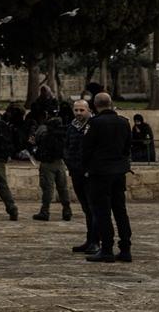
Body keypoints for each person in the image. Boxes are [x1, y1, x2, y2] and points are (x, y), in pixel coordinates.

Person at [82, 92, 132, 263]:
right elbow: (127, 147)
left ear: (95, 105)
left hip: (100, 172)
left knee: (102, 212)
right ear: (111, 103)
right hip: (119, 172)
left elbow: (86, 148)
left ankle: (107, 249)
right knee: (120, 211)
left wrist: (86, 167)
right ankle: (125, 249)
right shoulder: (124, 122)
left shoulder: (95, 123)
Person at [64, 99, 98, 254]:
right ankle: (90, 239)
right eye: (76, 110)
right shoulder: (71, 127)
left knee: (94, 208)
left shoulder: (94, 125)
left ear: (88, 110)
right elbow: (67, 147)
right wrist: (70, 165)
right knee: (86, 208)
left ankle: (95, 241)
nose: (78, 113)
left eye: (81, 110)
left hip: (90, 174)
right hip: (76, 172)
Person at [31, 112, 71, 221]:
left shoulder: (46, 135)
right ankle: (67, 210)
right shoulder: (63, 134)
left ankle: (45, 212)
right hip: (60, 163)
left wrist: (33, 145)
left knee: (47, 189)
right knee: (63, 189)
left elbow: (39, 151)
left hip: (47, 164)